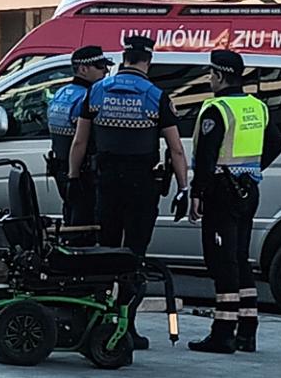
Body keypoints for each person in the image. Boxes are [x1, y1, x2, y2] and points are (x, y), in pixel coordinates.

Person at [69, 35, 190, 348]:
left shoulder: (97, 91)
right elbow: (176, 149)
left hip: (106, 185)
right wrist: (184, 188)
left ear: (123, 60)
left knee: (104, 255)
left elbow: (80, 141)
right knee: (134, 257)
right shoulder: (155, 95)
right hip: (141, 188)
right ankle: (128, 327)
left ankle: (100, 321)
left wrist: (72, 178)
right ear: (147, 62)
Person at [187, 49, 281, 353]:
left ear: (218, 75)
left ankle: (223, 332)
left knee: (222, 260)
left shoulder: (217, 109)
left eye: (211, 74)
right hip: (248, 190)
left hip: (220, 191)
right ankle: (247, 330)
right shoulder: (257, 107)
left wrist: (196, 194)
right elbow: (277, 144)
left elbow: (205, 158)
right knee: (240, 258)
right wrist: (249, 171)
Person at [46, 45, 110, 227]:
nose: (105, 71)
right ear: (83, 69)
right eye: (100, 66)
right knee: (85, 224)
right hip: (81, 173)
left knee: (71, 216)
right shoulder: (87, 97)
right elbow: (82, 140)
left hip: (60, 167)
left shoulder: (61, 93)